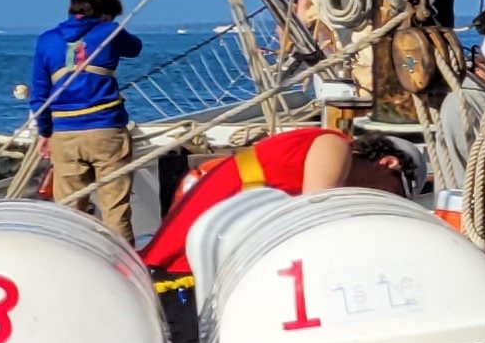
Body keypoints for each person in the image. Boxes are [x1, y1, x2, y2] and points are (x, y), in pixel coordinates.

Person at [138, 81, 409, 282]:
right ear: (388, 164)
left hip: (192, 267)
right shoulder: (333, 145)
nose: (386, 202)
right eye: (396, 193)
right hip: (180, 272)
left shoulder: (317, 153)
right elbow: (314, 218)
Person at [20, 0, 142, 238]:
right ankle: (121, 269)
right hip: (106, 130)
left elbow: (40, 95)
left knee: (69, 210)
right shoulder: (110, 31)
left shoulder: (47, 40)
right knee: (115, 209)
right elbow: (135, 48)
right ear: (106, 14)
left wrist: (46, 132)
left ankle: (73, 261)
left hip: (65, 134)